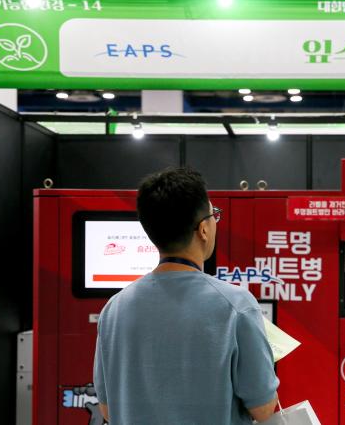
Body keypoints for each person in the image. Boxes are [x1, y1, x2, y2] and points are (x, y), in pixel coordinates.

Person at [93, 167, 279, 424]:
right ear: (203, 228)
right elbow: (264, 408)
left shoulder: (114, 309)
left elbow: (107, 410)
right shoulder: (236, 306)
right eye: (214, 215)